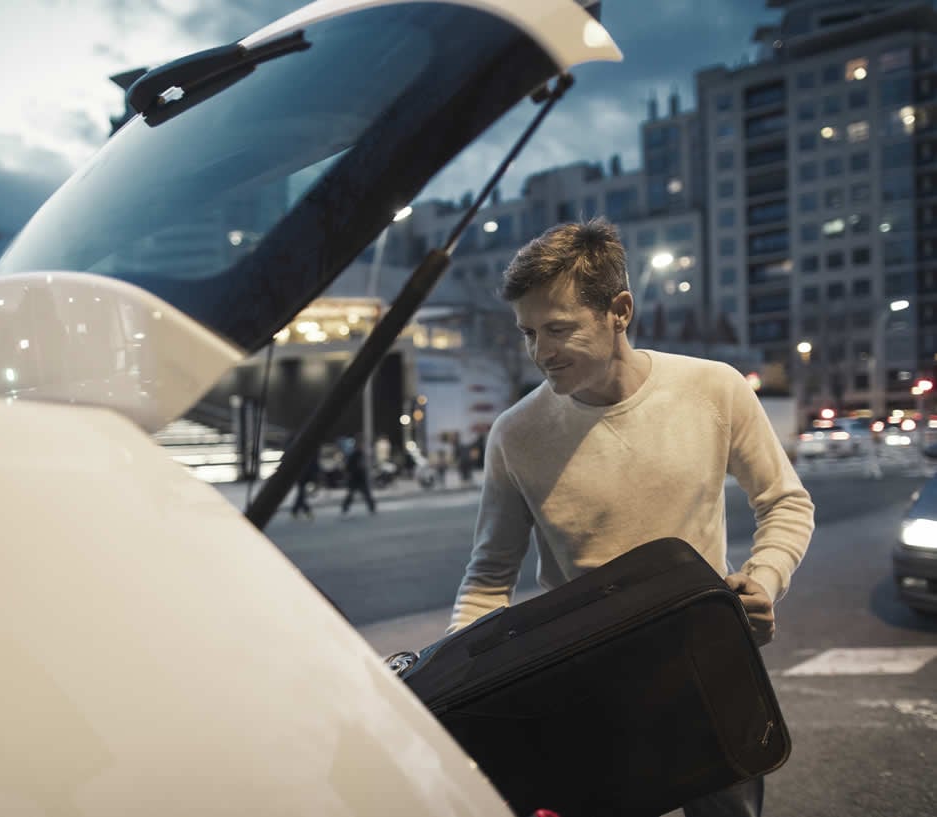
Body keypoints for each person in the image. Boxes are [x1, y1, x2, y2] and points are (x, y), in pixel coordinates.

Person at [447, 218, 815, 817]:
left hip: (706, 667)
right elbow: (490, 578)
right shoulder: (516, 433)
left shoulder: (714, 390)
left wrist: (764, 580)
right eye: (528, 333)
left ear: (619, 310)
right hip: (583, 687)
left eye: (558, 330)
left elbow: (785, 501)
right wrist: (452, 681)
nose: (541, 353)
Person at [340, 438, 376, 515]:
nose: (362, 446)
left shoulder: (362, 454)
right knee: (351, 495)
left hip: (361, 478)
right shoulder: (354, 454)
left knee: (366, 495)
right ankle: (344, 508)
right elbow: (349, 467)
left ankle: (372, 508)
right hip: (355, 478)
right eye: (361, 444)